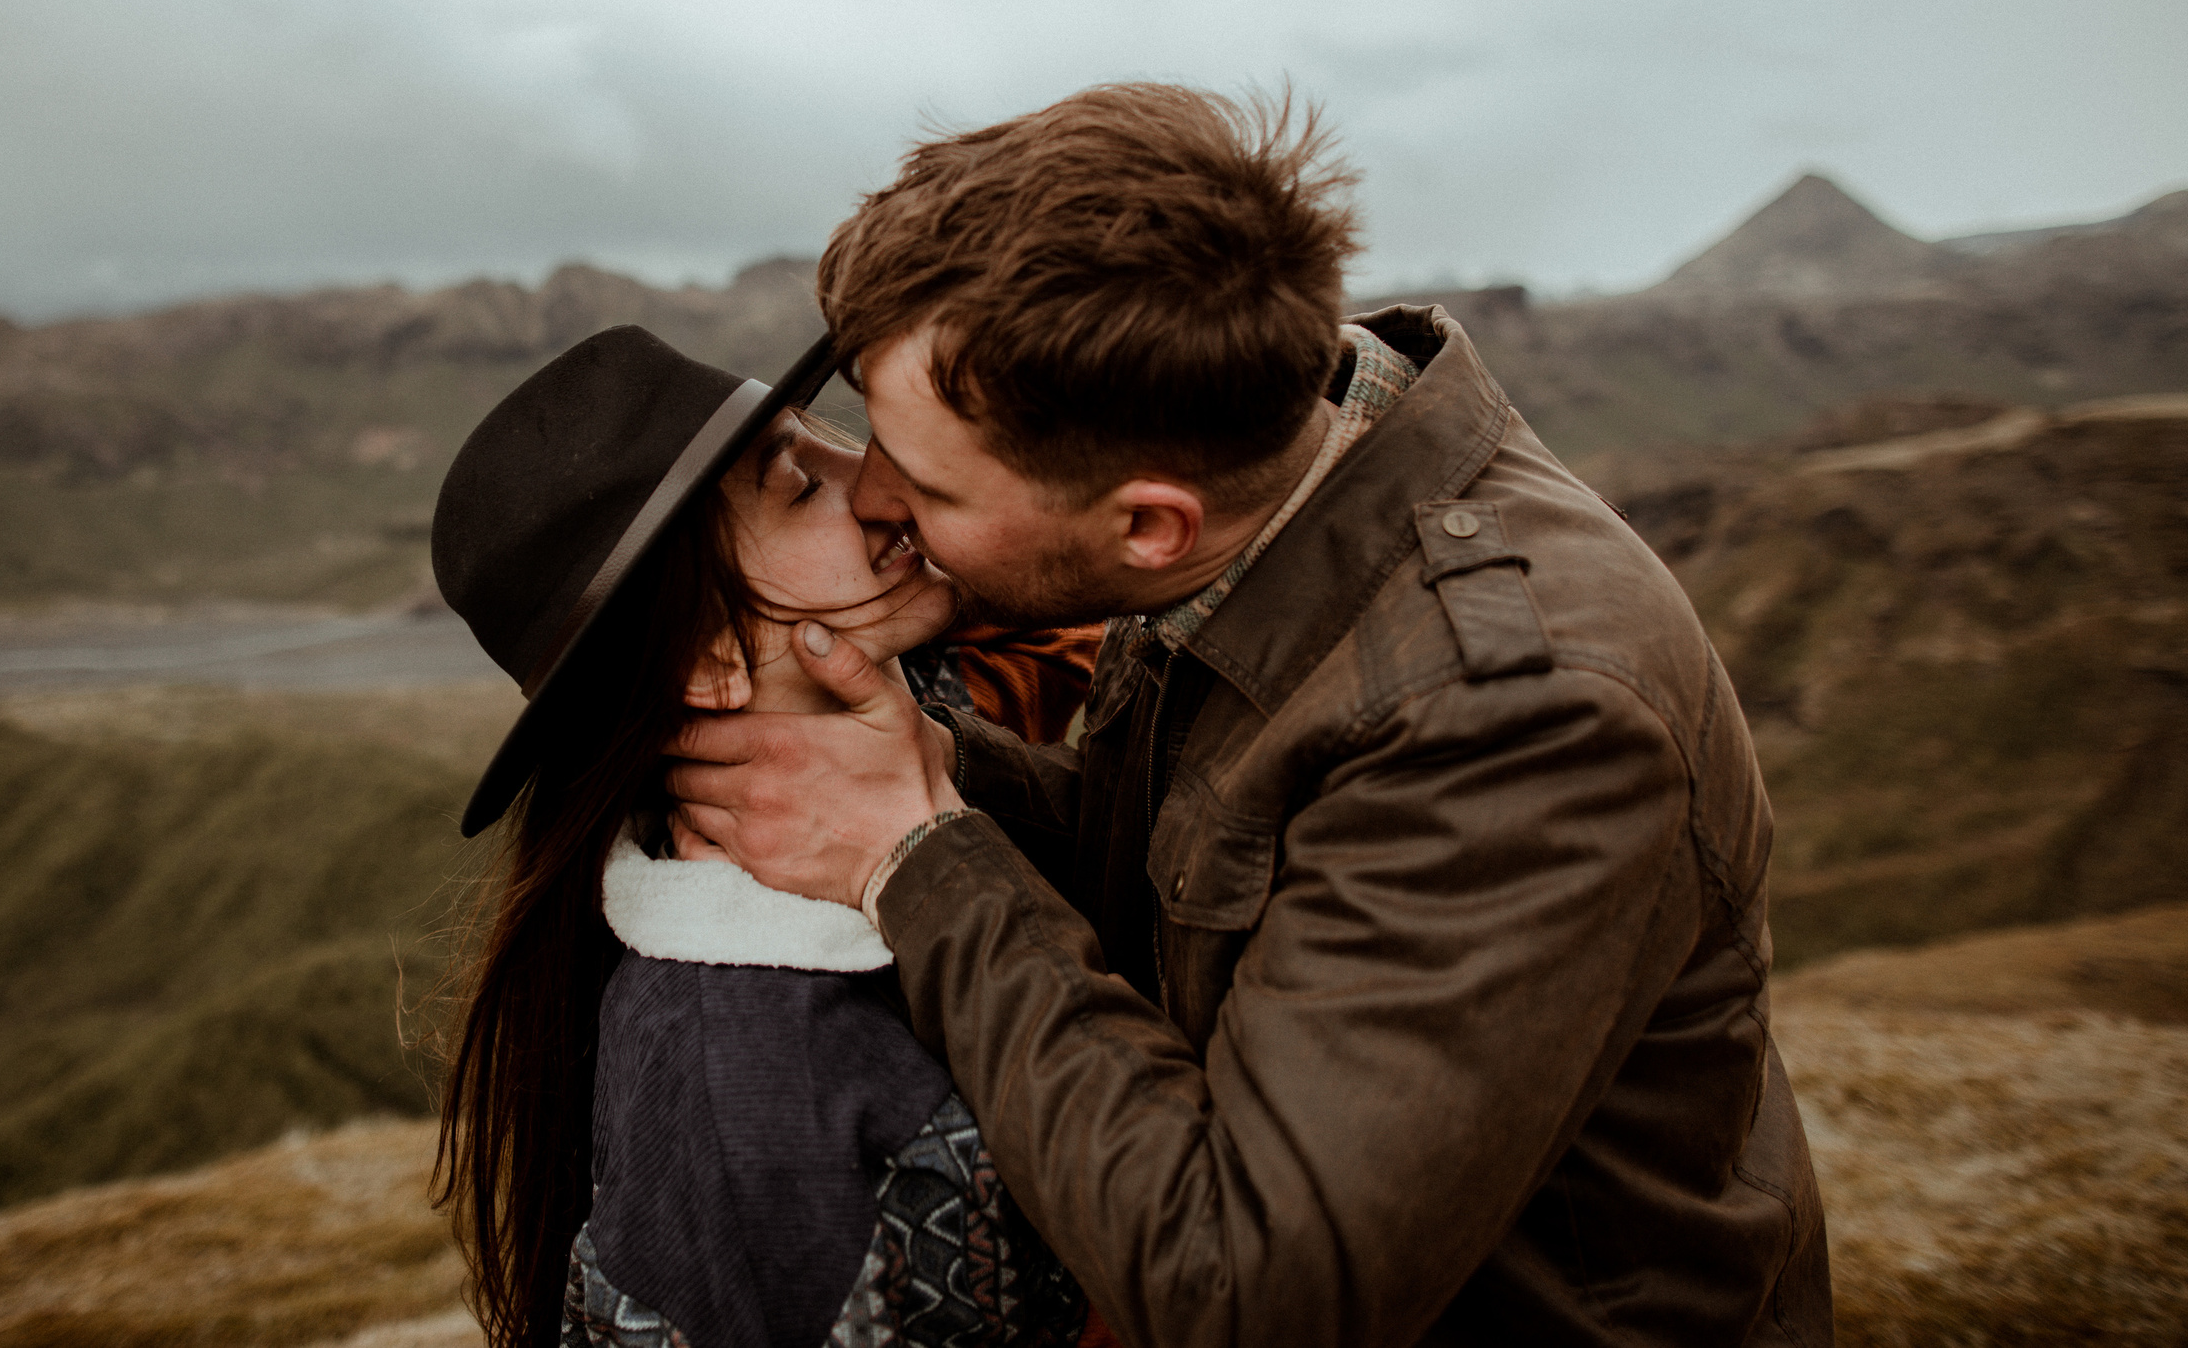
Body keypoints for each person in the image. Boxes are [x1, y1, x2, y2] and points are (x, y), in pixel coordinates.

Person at [666, 84, 1836, 1346]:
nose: (879, 499)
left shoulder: (1513, 714)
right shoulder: (1262, 500)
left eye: (931, 482)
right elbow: (1204, 883)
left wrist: (916, 860)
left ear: (1147, 521)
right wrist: (939, 775)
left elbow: (1247, 1291)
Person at [424, 324, 1100, 1348]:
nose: (874, 480)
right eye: (798, 484)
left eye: (823, 437)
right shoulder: (740, 1075)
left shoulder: (928, 738)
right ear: (709, 660)